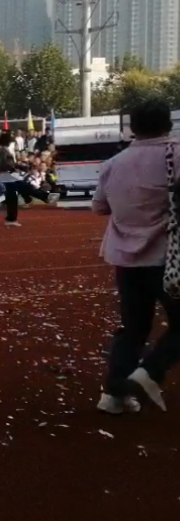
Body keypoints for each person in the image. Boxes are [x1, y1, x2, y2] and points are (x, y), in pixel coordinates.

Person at [93, 99, 180, 414]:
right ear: (168, 124)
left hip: (127, 260)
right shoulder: (176, 153)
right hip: (169, 259)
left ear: (132, 127)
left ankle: (114, 393)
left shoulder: (115, 163)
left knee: (133, 329)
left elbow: (100, 206)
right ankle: (149, 372)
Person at [0, 132, 59, 227]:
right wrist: (19, 167)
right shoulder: (4, 151)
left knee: (15, 196)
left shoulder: (3, 150)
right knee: (24, 189)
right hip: (8, 177)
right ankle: (43, 197)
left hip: (8, 177)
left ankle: (12, 217)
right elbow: (7, 165)